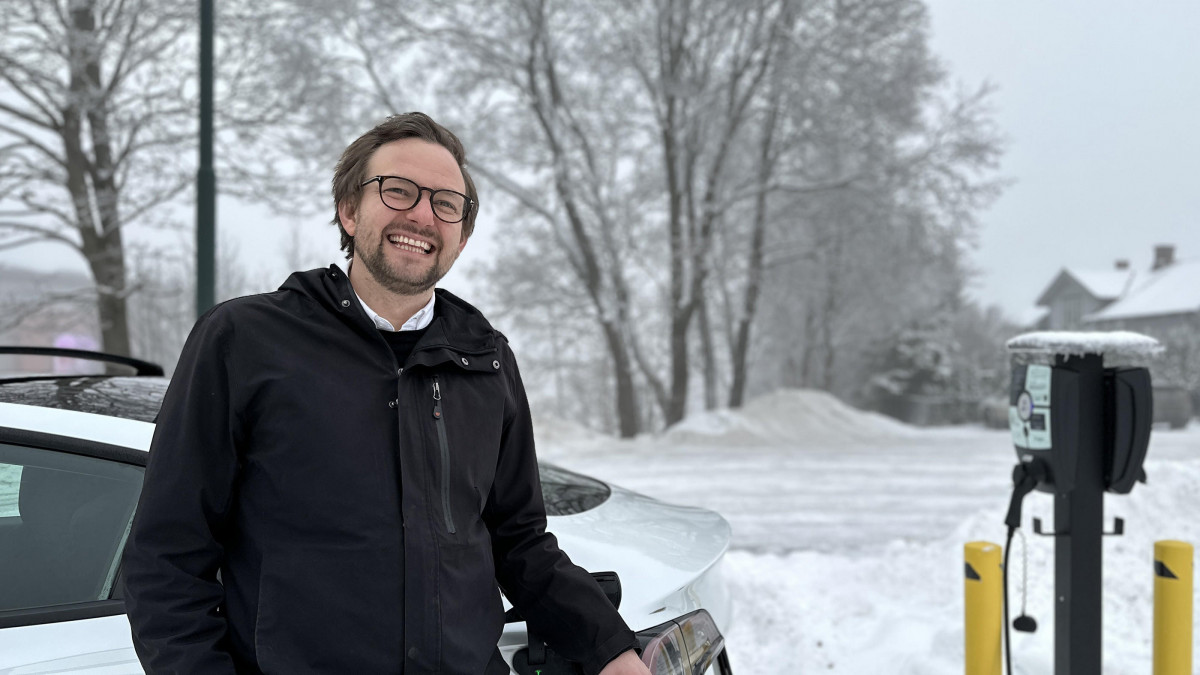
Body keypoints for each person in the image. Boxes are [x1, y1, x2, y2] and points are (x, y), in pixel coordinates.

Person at [123, 112, 650, 675]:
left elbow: (518, 542)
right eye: (398, 191)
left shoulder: (485, 360)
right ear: (349, 211)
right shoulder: (245, 341)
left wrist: (611, 651)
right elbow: (167, 556)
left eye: (446, 204)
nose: (422, 215)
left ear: (462, 236)